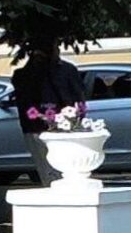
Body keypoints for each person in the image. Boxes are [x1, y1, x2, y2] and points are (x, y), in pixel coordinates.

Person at [7, 35, 87, 177]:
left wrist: (77, 118)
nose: (57, 51)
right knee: (47, 171)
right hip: (37, 129)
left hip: (66, 128)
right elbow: (25, 102)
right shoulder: (25, 74)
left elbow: (79, 98)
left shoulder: (67, 70)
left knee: (68, 171)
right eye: (53, 48)